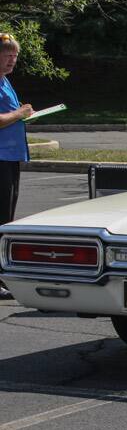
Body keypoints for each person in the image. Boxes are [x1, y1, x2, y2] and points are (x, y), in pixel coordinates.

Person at [0, 33, 33, 300]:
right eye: (7, 54)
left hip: (10, 157)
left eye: (15, 55)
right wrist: (19, 114)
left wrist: (22, 114)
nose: (12, 59)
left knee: (6, 218)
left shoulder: (5, 80)